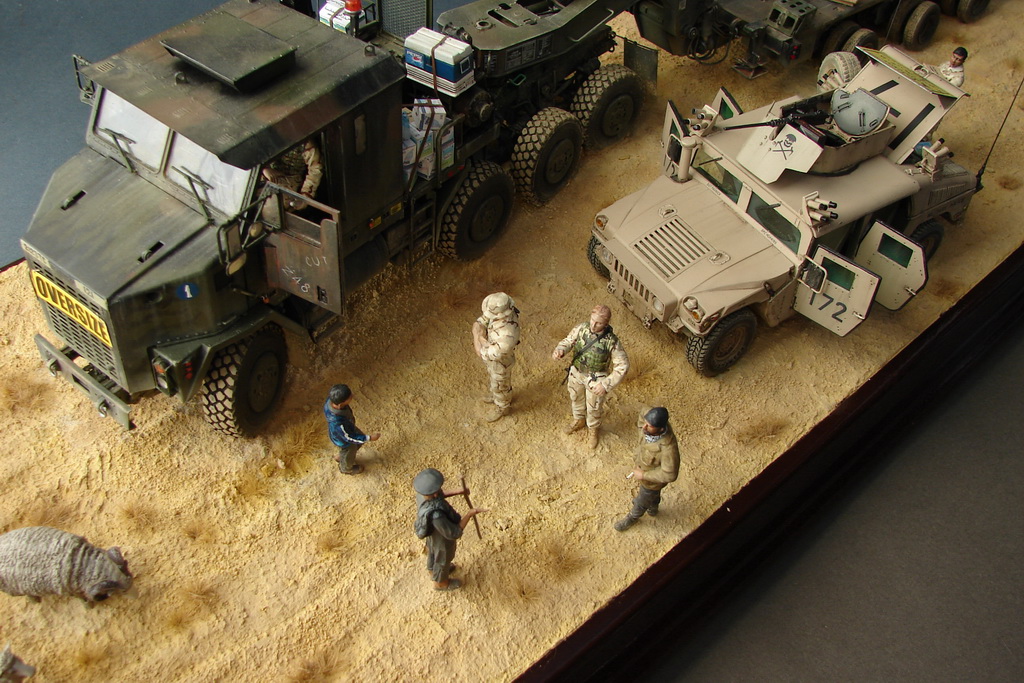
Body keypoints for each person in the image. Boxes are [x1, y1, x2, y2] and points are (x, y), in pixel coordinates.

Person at [551, 304, 629, 449]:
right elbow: (568, 341)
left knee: (594, 406)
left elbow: (622, 365)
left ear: (606, 323)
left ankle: (593, 429)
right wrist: (560, 350)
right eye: (592, 320)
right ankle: (579, 420)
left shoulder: (611, 341)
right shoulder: (581, 329)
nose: (593, 325)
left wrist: (606, 384)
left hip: (596, 378)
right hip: (576, 372)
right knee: (576, 398)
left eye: (598, 323)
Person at [413, 468, 485, 591]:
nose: (439, 492)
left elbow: (438, 497)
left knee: (433, 552)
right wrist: (469, 514)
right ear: (434, 493)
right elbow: (454, 533)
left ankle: (432, 570)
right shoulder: (437, 516)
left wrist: (459, 491)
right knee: (443, 559)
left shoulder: (422, 496)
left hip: (432, 536)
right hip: (442, 539)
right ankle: (441, 583)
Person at [614, 407, 680, 532]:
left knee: (641, 501)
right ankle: (653, 507)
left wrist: (643, 475)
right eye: (645, 423)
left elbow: (670, 474)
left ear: (661, 429)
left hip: (651, 482)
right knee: (653, 496)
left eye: (649, 426)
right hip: (643, 465)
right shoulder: (648, 422)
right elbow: (644, 412)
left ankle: (633, 517)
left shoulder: (668, 449)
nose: (644, 427)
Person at [472, 292, 520, 422]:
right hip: (495, 355)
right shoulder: (505, 312)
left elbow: (487, 353)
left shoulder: (507, 336)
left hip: (500, 362)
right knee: (496, 382)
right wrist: (479, 328)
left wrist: (479, 339)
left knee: (500, 384)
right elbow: (484, 320)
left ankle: (503, 407)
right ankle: (497, 396)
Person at [323, 384, 379, 475]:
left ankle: (341, 456)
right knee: (350, 449)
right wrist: (369, 438)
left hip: (346, 429)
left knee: (358, 441)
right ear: (340, 404)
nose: (352, 396)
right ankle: (346, 468)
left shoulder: (330, 401)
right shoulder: (338, 423)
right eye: (349, 397)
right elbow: (349, 437)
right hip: (344, 440)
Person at [262, 138, 323, 217]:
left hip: (291, 180)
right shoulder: (269, 135)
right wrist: (264, 169)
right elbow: (254, 154)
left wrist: (306, 194)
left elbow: (315, 170)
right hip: (268, 175)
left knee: (275, 207)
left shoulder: (305, 142)